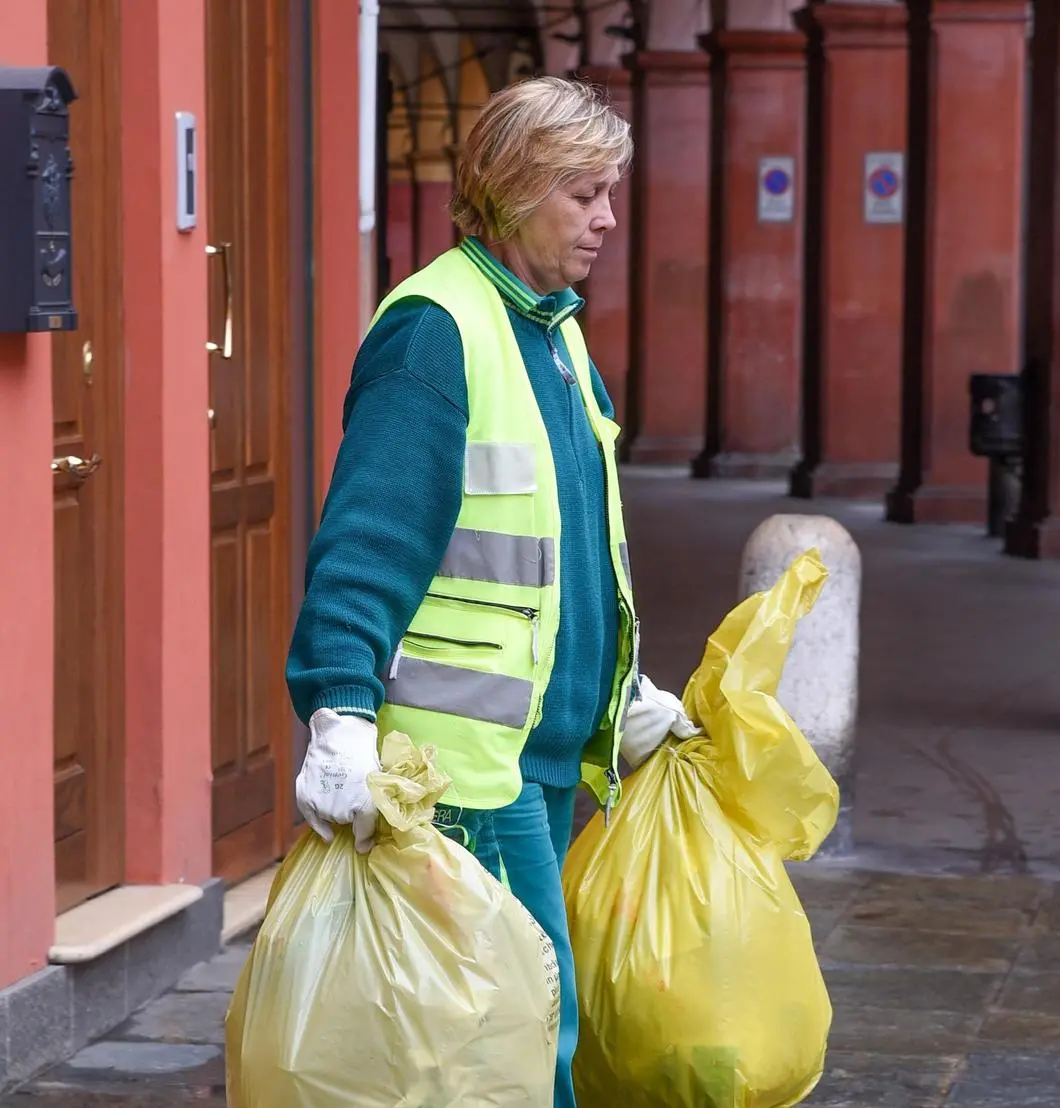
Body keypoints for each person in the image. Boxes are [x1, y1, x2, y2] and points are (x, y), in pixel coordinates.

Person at [285, 76, 697, 1107]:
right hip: (465, 773)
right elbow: (370, 535)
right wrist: (338, 705)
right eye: (584, 191)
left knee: (505, 1037)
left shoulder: (552, 328)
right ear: (515, 190)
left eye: (610, 190)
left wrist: (623, 688)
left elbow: (571, 545)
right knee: (519, 1046)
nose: (607, 216)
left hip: (542, 757)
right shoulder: (437, 330)